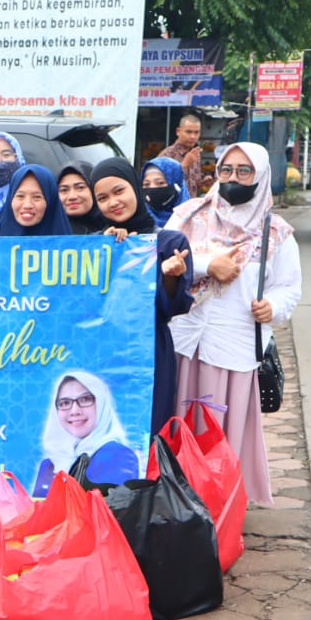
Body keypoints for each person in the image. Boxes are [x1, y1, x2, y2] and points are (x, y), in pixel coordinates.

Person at [166, 142, 302, 506]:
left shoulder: (276, 233)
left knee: (218, 431)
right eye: (227, 170)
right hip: (182, 341)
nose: (233, 178)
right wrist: (206, 265)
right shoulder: (188, 215)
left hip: (233, 347)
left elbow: (289, 287)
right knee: (177, 423)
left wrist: (271, 306)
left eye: (245, 172)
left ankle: (218, 506)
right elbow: (160, 258)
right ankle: (174, 504)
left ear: (260, 177)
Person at [89, 158, 194, 435]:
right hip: (100, 352)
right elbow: (84, 301)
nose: (113, 202)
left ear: (135, 189)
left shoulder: (170, 243)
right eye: (102, 197)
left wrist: (170, 277)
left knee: (148, 431)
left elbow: (172, 307)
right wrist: (105, 250)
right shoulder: (93, 244)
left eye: (119, 191)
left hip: (149, 353)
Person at [32, 371, 139, 495]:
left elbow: (112, 510)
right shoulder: (50, 464)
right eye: (65, 403)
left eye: (84, 399)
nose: (74, 411)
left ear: (101, 402)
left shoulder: (118, 455)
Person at [0, 164, 72, 238]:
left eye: (37, 197)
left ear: (50, 201)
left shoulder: (71, 247)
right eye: (20, 196)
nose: (27, 205)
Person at [159, 113, 204, 197]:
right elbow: (159, 185)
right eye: (188, 132)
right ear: (178, 132)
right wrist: (184, 165)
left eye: (196, 132)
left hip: (191, 207)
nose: (193, 136)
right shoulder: (167, 155)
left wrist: (203, 182)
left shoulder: (196, 154)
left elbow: (194, 185)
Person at [56, 162, 104, 235]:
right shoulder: (51, 232)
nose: (72, 196)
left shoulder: (114, 224)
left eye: (80, 187)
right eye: (64, 190)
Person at [141, 156, 191, 227]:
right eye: (146, 184)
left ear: (177, 185)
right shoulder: (136, 221)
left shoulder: (194, 220)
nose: (152, 188)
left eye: (160, 183)